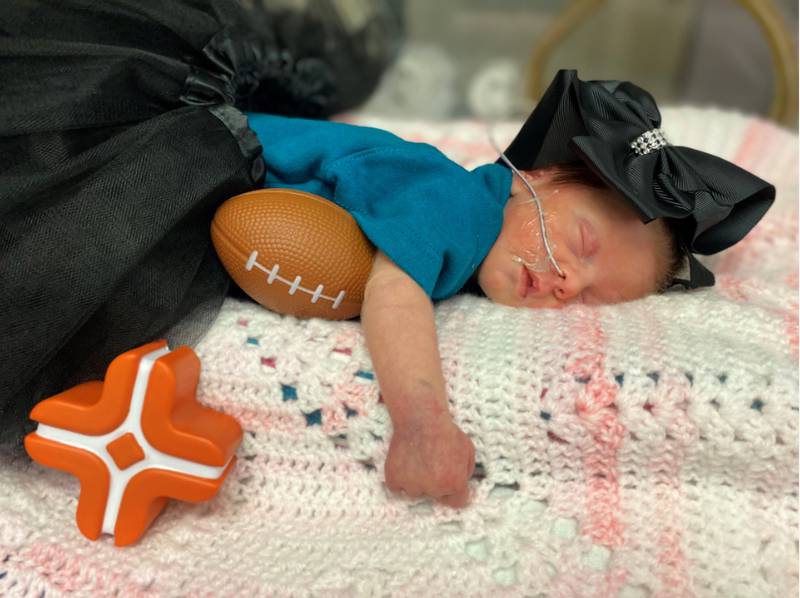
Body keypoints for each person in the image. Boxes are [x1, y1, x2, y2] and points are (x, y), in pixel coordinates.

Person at [245, 69, 775, 509]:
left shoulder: (473, 251)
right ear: (537, 178)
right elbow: (396, 288)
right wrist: (422, 421)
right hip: (203, 141)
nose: (570, 282)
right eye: (582, 242)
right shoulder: (460, 199)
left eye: (593, 297)